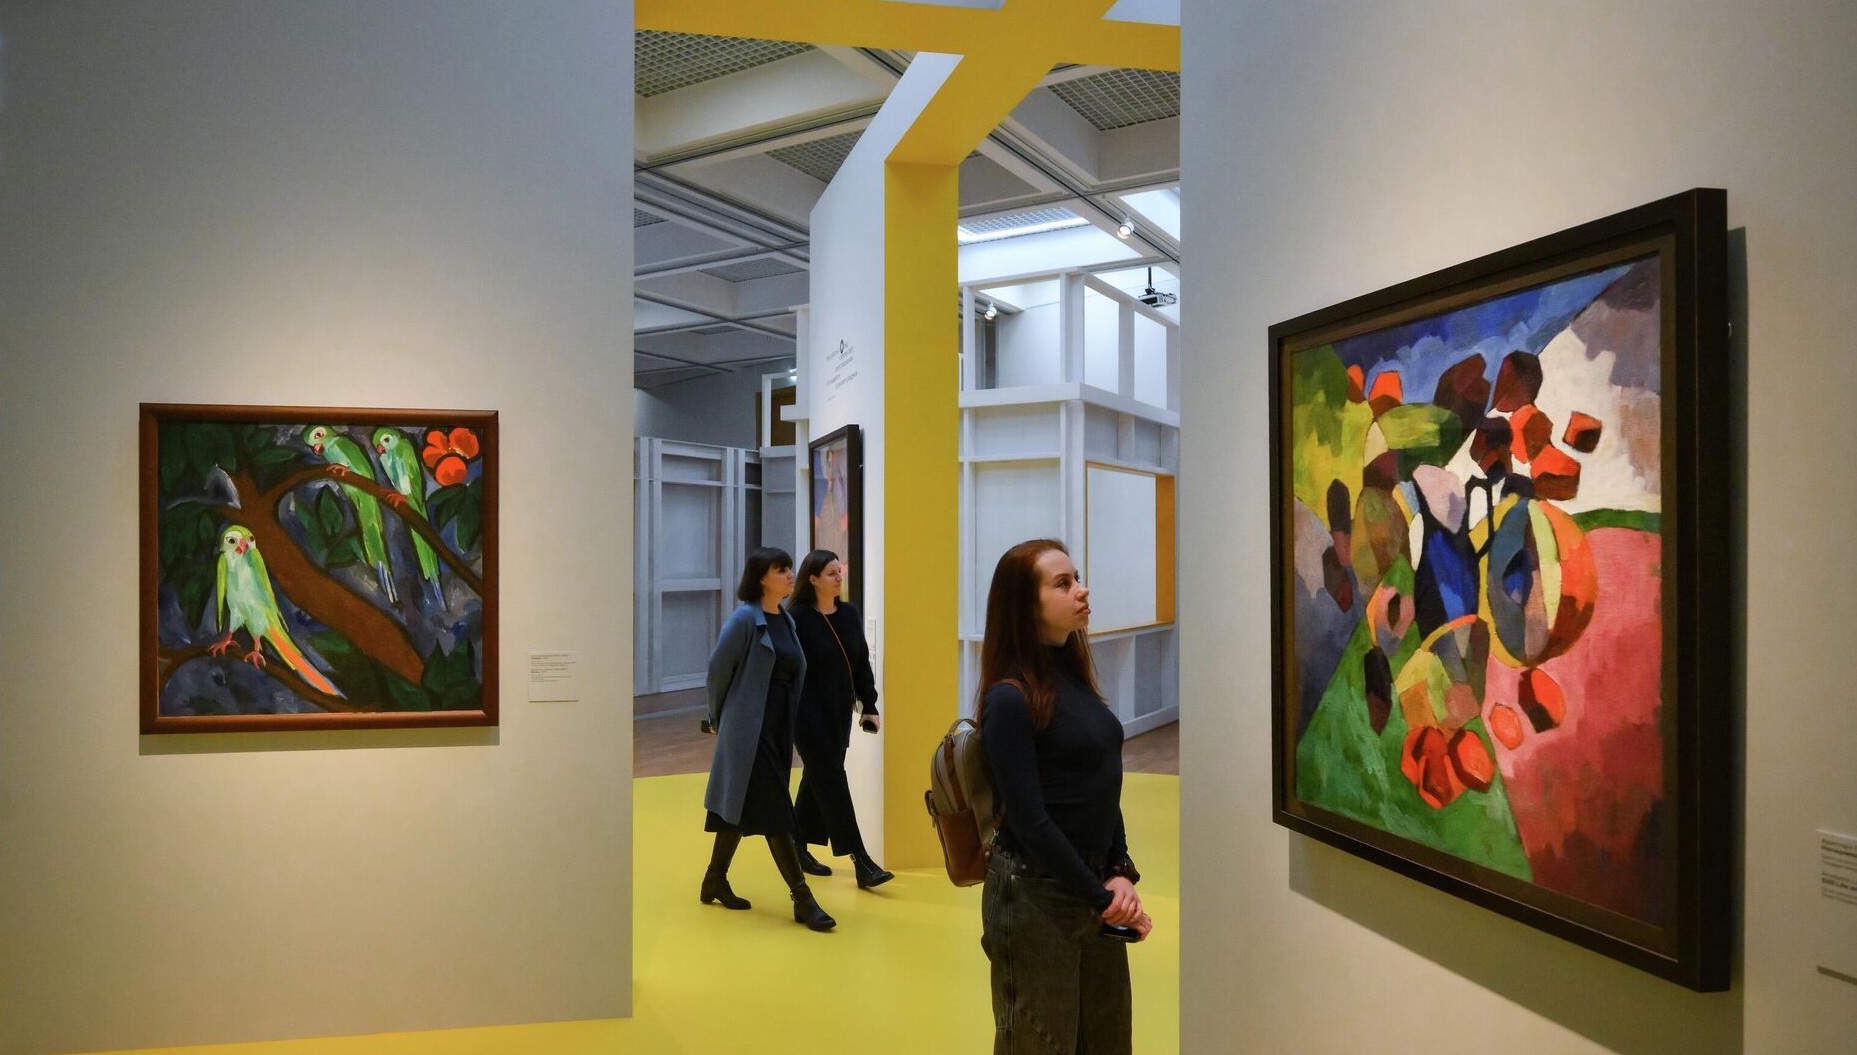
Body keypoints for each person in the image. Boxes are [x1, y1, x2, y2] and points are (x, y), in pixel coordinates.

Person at [977, 539, 1153, 1054]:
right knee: (1041, 1044)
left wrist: (1119, 870)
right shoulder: (1009, 699)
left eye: (1076, 577)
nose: (1082, 590)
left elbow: (1102, 783)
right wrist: (1102, 898)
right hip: (1034, 895)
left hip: (1089, 884)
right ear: (1025, 604)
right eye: (1063, 583)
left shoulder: (1073, 678)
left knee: (1106, 1040)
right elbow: (1030, 822)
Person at [699, 546, 836, 932]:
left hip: (777, 729)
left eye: (790, 568)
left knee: (740, 806)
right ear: (761, 578)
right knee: (778, 812)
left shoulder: (785, 620)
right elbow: (718, 671)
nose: (790, 574)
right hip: (748, 730)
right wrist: (718, 718)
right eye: (781, 569)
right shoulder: (745, 619)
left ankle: (714, 878)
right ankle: (803, 899)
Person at [787, 549, 893, 889]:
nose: (839, 577)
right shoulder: (797, 618)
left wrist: (869, 703)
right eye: (831, 573)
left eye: (839, 571)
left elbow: (860, 662)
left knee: (817, 777)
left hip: (838, 712)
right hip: (806, 714)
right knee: (832, 780)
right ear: (813, 579)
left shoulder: (848, 614)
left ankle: (796, 844)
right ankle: (861, 860)